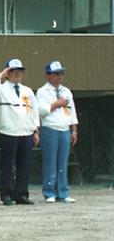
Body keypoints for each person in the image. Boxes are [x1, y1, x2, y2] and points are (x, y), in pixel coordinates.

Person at [0, 59, 40, 206]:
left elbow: (34, 111)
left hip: (26, 132)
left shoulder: (27, 91)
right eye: (13, 71)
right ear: (7, 73)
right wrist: (1, 75)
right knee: (7, 166)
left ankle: (22, 194)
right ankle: (7, 195)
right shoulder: (1, 89)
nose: (17, 74)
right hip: (9, 132)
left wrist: (35, 130)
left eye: (19, 71)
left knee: (24, 165)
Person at [36, 61, 78, 203]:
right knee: (50, 162)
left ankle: (63, 192)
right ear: (48, 76)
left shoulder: (66, 91)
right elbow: (41, 111)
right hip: (50, 129)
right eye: (56, 74)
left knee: (62, 162)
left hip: (64, 129)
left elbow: (72, 112)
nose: (59, 77)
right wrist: (56, 104)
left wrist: (74, 131)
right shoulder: (42, 92)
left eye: (61, 74)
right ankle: (49, 192)